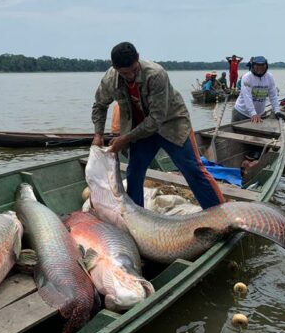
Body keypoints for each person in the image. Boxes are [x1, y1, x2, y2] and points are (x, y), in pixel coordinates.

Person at [92, 42, 226, 209]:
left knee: (192, 169)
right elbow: (100, 105)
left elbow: (156, 120)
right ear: (115, 68)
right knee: (134, 173)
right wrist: (98, 135)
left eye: (134, 69)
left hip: (171, 124)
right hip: (140, 130)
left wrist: (124, 139)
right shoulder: (110, 79)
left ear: (138, 58)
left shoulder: (156, 74)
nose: (131, 75)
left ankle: (220, 214)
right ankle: (136, 217)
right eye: (125, 73)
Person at [232, 56, 283, 123]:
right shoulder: (247, 77)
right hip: (242, 113)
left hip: (260, 114)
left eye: (262, 65)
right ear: (253, 66)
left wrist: (277, 111)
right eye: (257, 65)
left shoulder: (269, 77)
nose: (260, 68)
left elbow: (273, 95)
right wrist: (253, 113)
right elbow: (247, 97)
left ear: (266, 66)